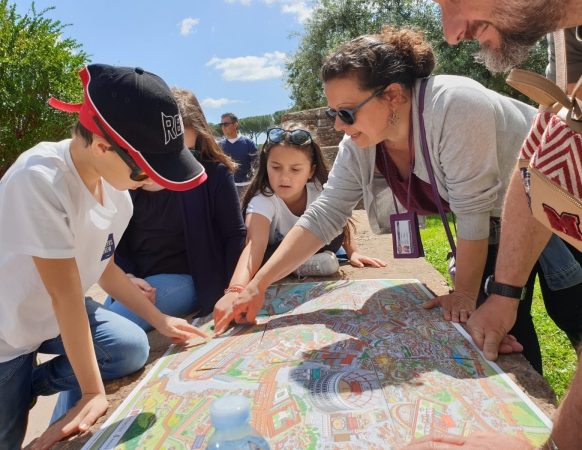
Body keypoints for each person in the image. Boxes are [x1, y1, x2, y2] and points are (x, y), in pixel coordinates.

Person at [211, 27, 543, 356]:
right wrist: (257, 286)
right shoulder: (360, 144)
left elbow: (472, 211)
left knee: (570, 312)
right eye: (332, 113)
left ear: (394, 96)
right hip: (496, 222)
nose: (339, 125)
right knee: (503, 331)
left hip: (552, 201)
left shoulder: (455, 106)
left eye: (346, 112)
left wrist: (465, 297)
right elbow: (325, 214)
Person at [0, 64, 208, 450]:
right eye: (144, 172)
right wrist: (91, 392)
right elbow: (65, 294)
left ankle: (30, 385)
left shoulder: (116, 190)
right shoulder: (40, 179)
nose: (153, 182)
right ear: (103, 146)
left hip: (49, 320)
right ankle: (15, 385)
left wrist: (160, 319)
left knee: (130, 346)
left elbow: (103, 264)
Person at [405, 1, 581, 449]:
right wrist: (503, 294)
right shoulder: (569, 38)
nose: (450, 32)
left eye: (452, 1)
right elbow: (543, 158)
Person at [213, 125, 384, 332]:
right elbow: (253, 245)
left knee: (332, 238)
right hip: (273, 252)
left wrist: (353, 252)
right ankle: (296, 265)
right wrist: (235, 290)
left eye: (295, 169)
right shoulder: (263, 199)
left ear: (311, 170)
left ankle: (299, 263)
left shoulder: (321, 190)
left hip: (319, 248)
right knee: (265, 256)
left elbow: (338, 219)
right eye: (276, 167)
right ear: (266, 167)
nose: (285, 178)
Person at [104, 88, 246, 329]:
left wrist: (232, 291)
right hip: (134, 279)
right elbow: (113, 242)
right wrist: (127, 278)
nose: (175, 165)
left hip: (188, 278)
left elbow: (234, 235)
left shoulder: (215, 174)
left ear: (200, 138)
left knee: (111, 329)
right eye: (165, 154)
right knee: (99, 328)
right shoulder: (127, 177)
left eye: (186, 154)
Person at [219, 112, 259, 199]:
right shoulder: (219, 146)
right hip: (225, 188)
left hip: (245, 188)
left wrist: (254, 184)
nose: (223, 127)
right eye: (221, 124)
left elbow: (257, 165)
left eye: (226, 124)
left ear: (235, 125)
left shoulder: (249, 143)